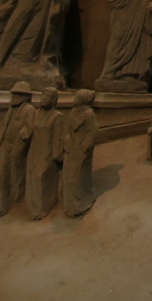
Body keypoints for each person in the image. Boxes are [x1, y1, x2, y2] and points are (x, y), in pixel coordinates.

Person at [0, 82, 35, 219]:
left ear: (24, 96)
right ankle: (0, 205)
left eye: (17, 94)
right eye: (13, 94)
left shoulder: (29, 109)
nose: (13, 97)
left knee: (16, 174)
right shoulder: (12, 107)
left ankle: (16, 200)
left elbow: (29, 129)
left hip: (17, 145)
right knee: (0, 174)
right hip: (5, 144)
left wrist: (19, 143)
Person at [26, 86, 64, 219]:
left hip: (47, 154)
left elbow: (57, 139)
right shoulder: (36, 113)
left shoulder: (57, 117)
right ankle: (32, 206)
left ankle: (43, 207)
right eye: (42, 96)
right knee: (31, 177)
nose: (43, 99)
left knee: (42, 177)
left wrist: (57, 157)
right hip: (34, 151)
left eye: (46, 97)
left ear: (53, 100)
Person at [62, 89, 98, 218]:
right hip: (70, 148)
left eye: (77, 97)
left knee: (77, 177)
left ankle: (80, 204)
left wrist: (83, 148)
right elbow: (68, 128)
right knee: (68, 175)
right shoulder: (73, 111)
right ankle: (70, 205)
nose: (74, 99)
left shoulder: (89, 114)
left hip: (80, 151)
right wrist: (66, 140)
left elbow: (92, 132)